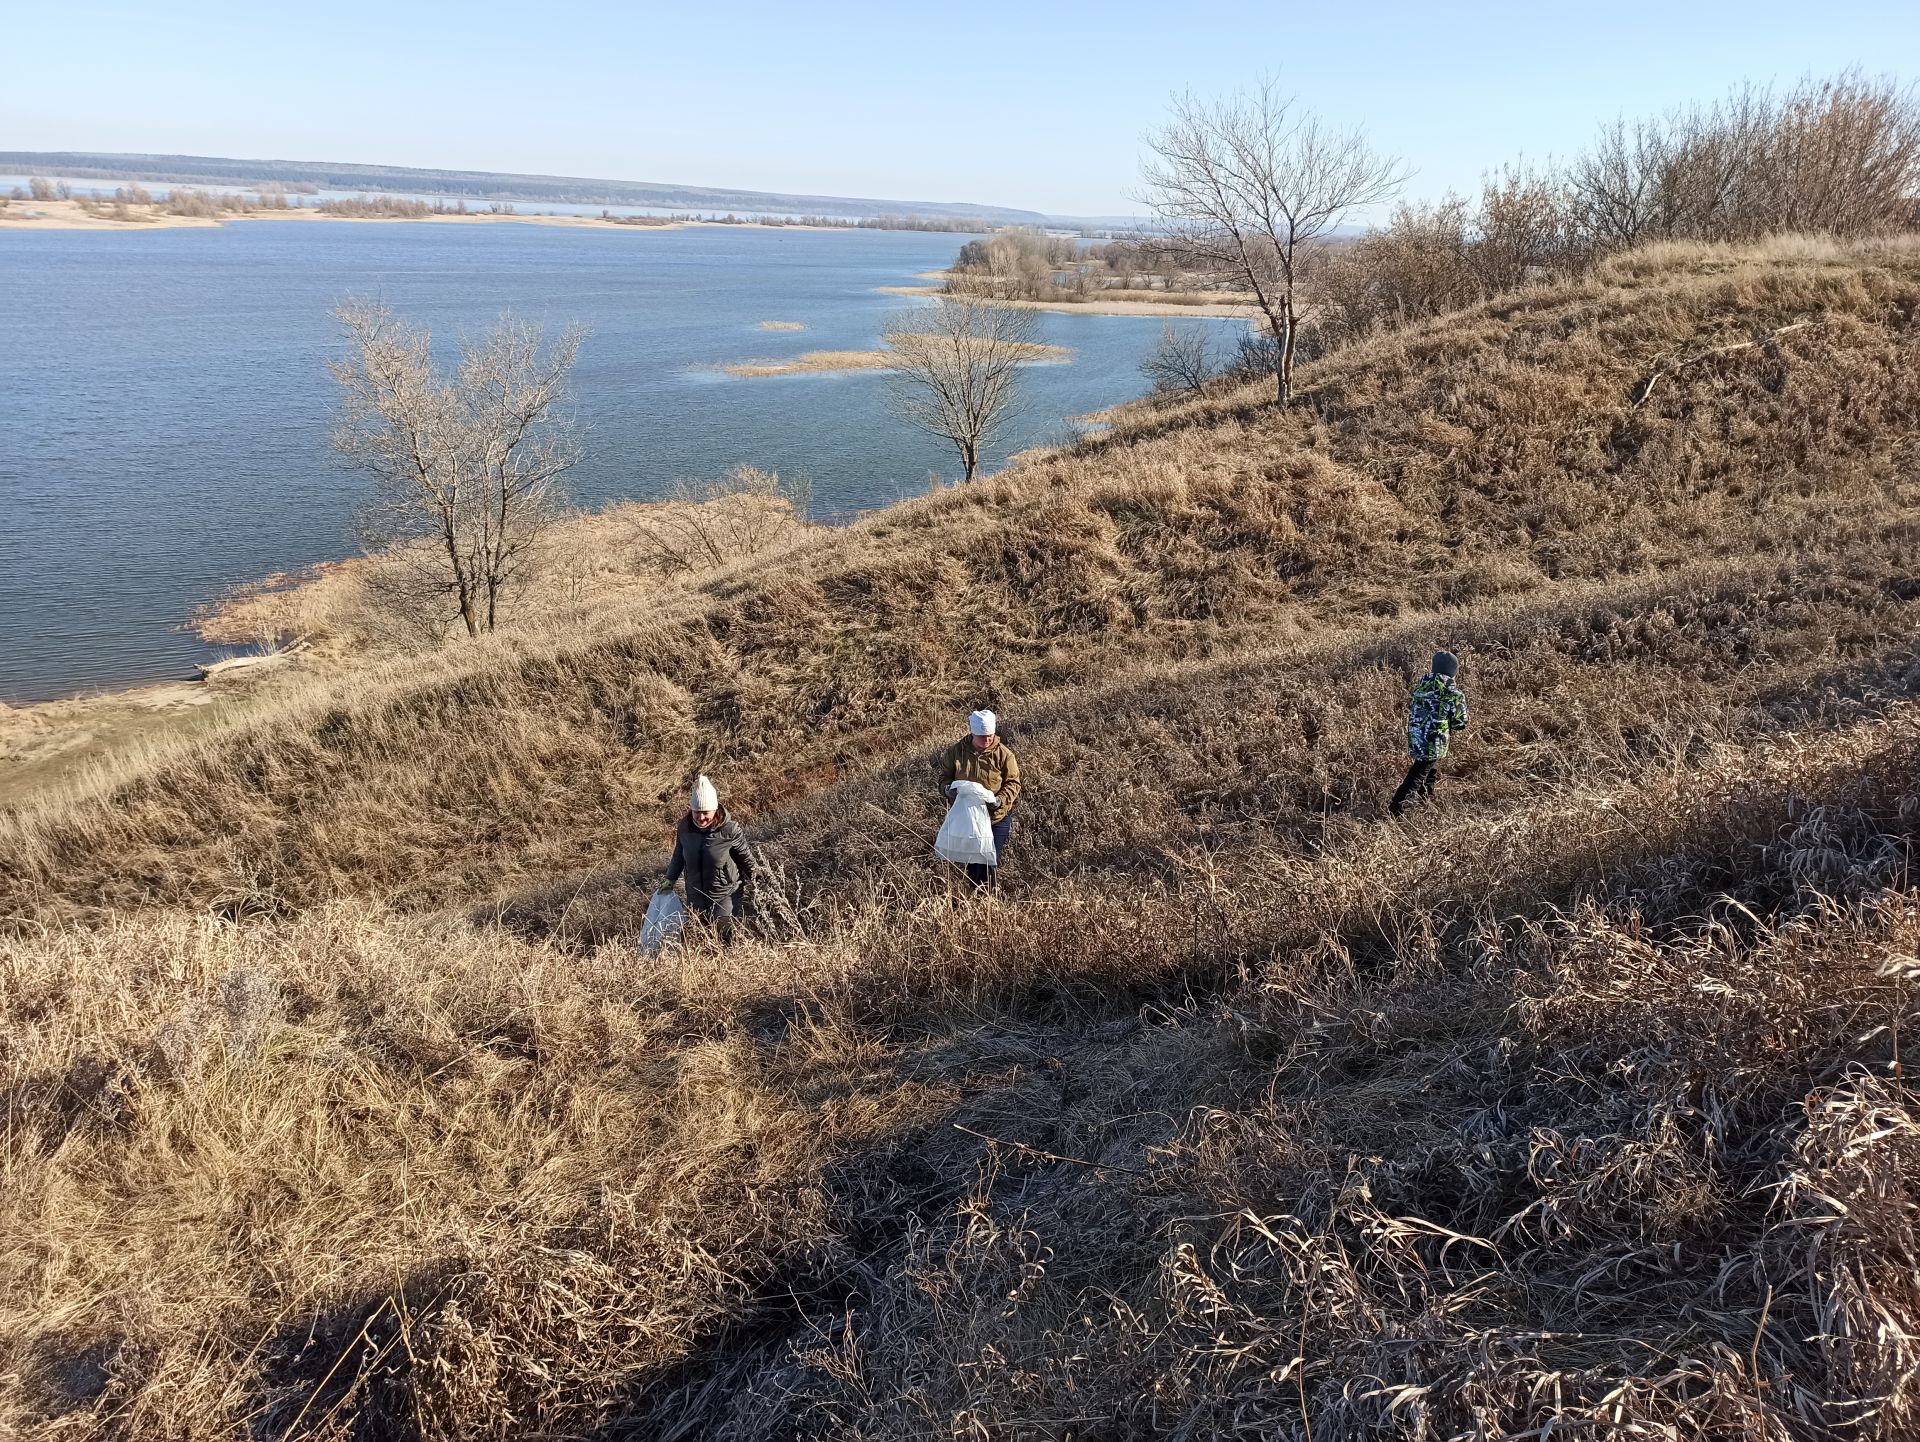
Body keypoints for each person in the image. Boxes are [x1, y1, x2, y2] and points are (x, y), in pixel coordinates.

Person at [656, 774, 758, 942]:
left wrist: (758, 876)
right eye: (697, 812)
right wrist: (669, 880)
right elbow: (678, 857)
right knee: (699, 937)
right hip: (695, 894)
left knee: (723, 937)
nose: (701, 817)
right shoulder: (685, 828)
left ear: (715, 808)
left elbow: (745, 858)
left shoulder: (729, 830)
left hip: (724, 894)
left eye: (705, 812)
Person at [934, 709, 1023, 889]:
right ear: (973, 733)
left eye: (990, 736)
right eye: (983, 737)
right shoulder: (956, 752)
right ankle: (977, 898)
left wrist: (1000, 801)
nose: (987, 740)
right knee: (974, 863)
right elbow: (944, 777)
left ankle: (990, 899)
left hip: (996, 818)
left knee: (989, 860)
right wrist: (948, 790)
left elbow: (1014, 783)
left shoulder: (1004, 755)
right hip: (969, 818)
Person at [1390, 651, 1468, 817]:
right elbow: (1460, 723)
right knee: (1417, 775)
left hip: (1416, 737)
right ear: (1453, 671)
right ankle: (1396, 810)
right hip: (1434, 741)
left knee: (1429, 768)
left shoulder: (1420, 687)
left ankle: (1426, 799)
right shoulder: (1453, 694)